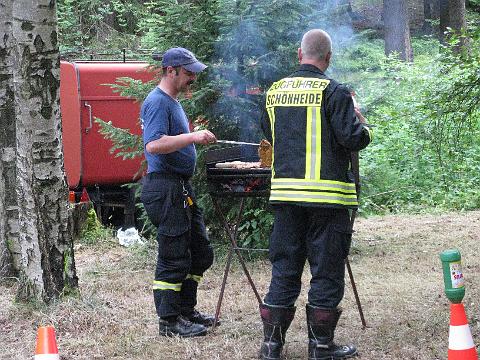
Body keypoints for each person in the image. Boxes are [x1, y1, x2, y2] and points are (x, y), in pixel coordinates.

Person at [258, 29, 373, 359]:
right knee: (326, 271)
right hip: (328, 199)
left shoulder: (275, 92)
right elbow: (353, 139)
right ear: (328, 58)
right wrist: (361, 122)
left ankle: (271, 346)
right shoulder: (335, 92)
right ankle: (321, 347)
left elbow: (270, 133)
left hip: (285, 197)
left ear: (299, 54)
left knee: (284, 270)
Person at [140, 47, 217, 338]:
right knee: (173, 256)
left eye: (194, 72)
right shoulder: (158, 102)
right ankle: (169, 322)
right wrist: (192, 136)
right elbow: (154, 145)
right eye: (188, 73)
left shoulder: (172, 101)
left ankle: (186, 310)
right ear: (170, 71)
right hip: (165, 187)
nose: (193, 78)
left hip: (180, 187)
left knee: (200, 252)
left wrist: (191, 136)